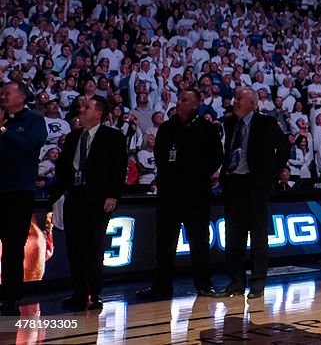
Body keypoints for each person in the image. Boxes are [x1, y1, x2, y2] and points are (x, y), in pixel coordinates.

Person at [137, 87, 223, 300]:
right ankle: (162, 286)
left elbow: (217, 157)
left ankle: (204, 285)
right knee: (165, 243)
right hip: (170, 194)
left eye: (184, 100)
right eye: (179, 99)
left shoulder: (207, 128)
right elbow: (160, 156)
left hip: (196, 193)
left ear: (196, 104)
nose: (180, 103)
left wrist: (199, 175)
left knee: (200, 242)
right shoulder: (167, 127)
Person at [50, 96, 128, 311]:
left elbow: (119, 167)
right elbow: (63, 167)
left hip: (98, 200)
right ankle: (79, 292)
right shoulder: (74, 137)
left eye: (87, 107)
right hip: (75, 197)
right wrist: (59, 192)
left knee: (93, 248)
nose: (81, 110)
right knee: (74, 248)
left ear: (99, 113)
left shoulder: (113, 136)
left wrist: (113, 195)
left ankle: (95, 293)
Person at [218, 86, 288, 299]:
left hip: (256, 186)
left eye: (239, 98)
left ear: (251, 103)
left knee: (258, 237)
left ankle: (258, 283)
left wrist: (272, 174)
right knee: (233, 237)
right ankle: (236, 282)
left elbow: (284, 147)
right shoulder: (228, 123)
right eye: (234, 97)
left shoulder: (265, 123)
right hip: (234, 185)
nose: (235, 101)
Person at [0, 80, 48, 314]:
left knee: (13, 245)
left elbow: (30, 145)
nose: (3, 96)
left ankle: (11, 296)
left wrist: (3, 130)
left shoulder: (34, 120)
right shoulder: (4, 121)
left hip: (19, 191)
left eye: (7, 93)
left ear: (21, 96)